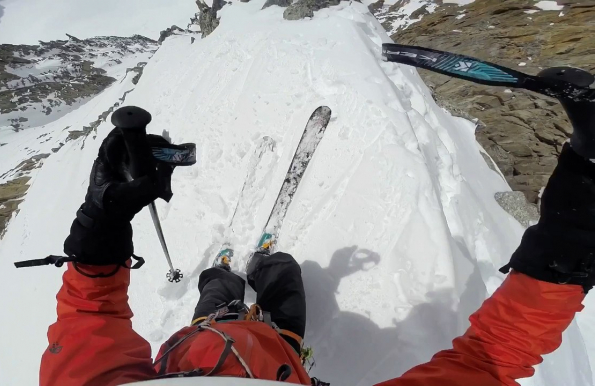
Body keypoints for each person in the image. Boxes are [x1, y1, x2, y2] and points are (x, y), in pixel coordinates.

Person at [39, 121, 595, 385]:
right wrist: (564, 253)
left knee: (218, 287)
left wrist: (102, 221)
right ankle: (259, 272)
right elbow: (489, 362)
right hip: (278, 348)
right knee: (281, 276)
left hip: (203, 336)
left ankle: (230, 281)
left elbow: (88, 314)